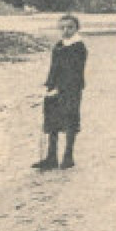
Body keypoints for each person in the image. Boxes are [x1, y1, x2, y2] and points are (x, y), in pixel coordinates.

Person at [35, 14, 87, 170]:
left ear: (77, 28)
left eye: (70, 27)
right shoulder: (59, 45)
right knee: (52, 121)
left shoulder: (78, 47)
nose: (66, 31)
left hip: (71, 89)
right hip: (55, 88)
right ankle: (51, 157)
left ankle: (68, 156)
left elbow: (74, 71)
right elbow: (54, 67)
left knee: (69, 119)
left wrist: (61, 88)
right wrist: (50, 84)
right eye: (62, 27)